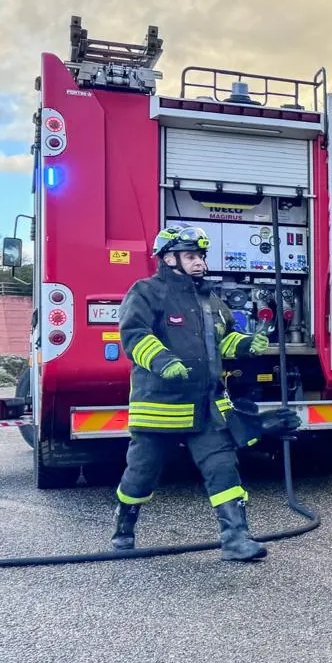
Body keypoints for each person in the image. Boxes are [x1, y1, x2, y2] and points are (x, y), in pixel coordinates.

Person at [111, 224, 275, 561]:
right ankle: (124, 526)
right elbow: (133, 335)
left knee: (223, 466)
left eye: (200, 256)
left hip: (207, 407)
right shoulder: (146, 292)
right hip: (160, 405)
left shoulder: (209, 299)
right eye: (191, 256)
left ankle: (236, 539)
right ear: (169, 258)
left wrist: (246, 345)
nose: (200, 262)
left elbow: (223, 339)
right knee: (141, 474)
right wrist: (162, 360)